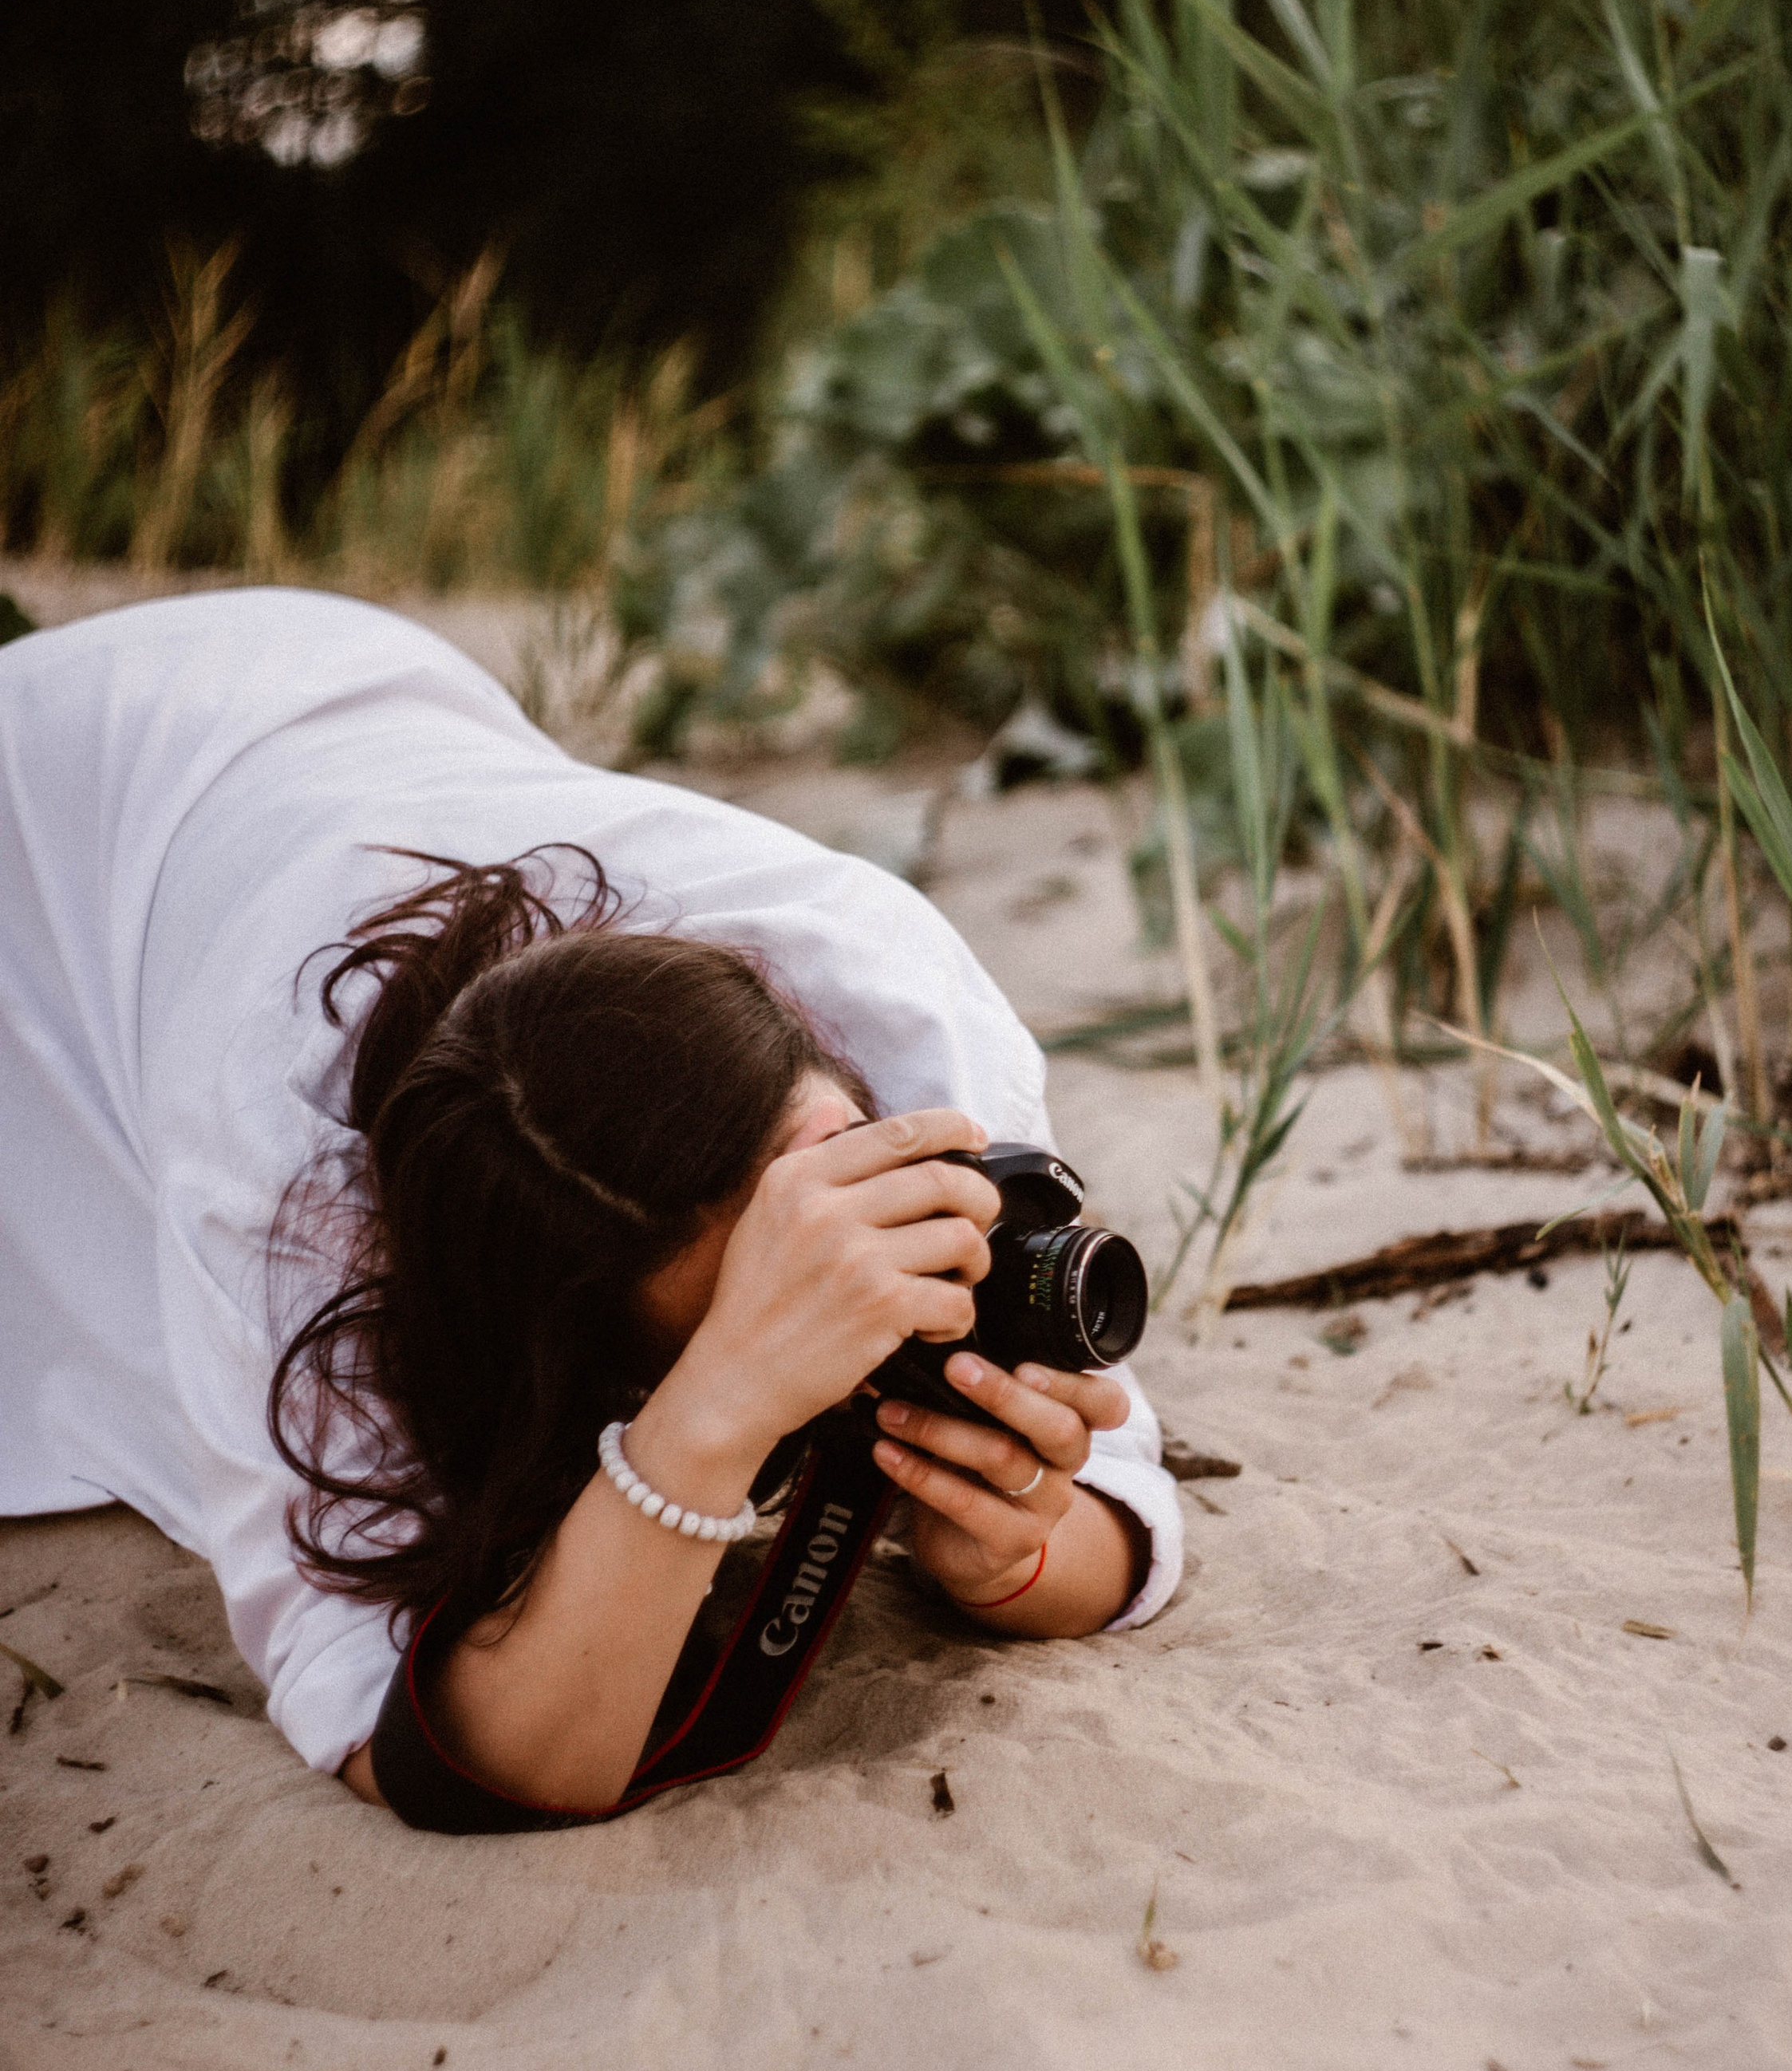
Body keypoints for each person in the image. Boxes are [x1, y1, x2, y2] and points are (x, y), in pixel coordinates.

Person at [0, 590, 1180, 1822]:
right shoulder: (282, 1193)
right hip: (43, 820)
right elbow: (417, 1738)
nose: (833, 1260)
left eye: (824, 1200)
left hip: (350, 681)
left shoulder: (903, 1025)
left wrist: (1007, 1547)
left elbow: (1113, 1523)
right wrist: (712, 1422)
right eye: (752, 1296)